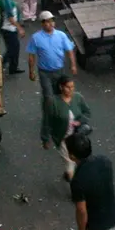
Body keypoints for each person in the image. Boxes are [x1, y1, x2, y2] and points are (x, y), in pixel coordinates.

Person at [27, 11, 78, 148]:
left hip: (59, 72)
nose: (51, 24)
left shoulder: (61, 35)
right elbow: (31, 56)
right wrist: (31, 71)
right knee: (50, 100)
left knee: (60, 97)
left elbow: (69, 50)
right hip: (45, 73)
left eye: (52, 21)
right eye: (47, 21)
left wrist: (73, 65)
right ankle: (45, 136)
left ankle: (61, 122)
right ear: (42, 23)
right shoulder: (36, 38)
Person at [46, 75, 91, 182]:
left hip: (76, 137)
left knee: (77, 161)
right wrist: (46, 138)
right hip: (63, 139)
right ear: (61, 87)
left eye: (72, 87)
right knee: (70, 163)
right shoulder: (53, 102)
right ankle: (75, 190)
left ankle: (69, 175)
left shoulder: (78, 98)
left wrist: (80, 121)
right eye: (68, 87)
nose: (71, 90)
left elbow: (87, 112)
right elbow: (47, 121)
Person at [0, 0, 25, 75]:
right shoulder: (7, 1)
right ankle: (1, 64)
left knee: (15, 48)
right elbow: (10, 18)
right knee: (12, 49)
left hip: (10, 28)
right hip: (8, 29)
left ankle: (13, 67)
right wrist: (19, 28)